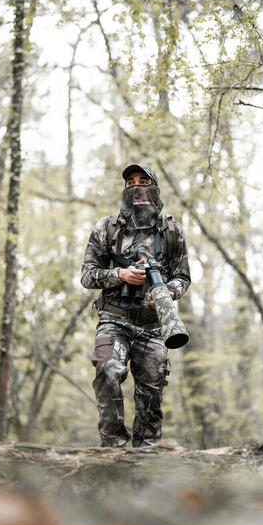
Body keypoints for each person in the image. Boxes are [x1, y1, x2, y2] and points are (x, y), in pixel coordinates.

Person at [81, 163, 191, 447]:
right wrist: (120, 275)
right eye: (130, 182)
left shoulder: (171, 231)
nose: (136, 187)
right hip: (113, 319)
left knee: (151, 396)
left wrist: (166, 291)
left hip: (154, 325)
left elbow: (182, 276)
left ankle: (147, 459)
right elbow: (87, 275)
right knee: (106, 371)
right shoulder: (106, 227)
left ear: (155, 188)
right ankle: (113, 452)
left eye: (143, 181)